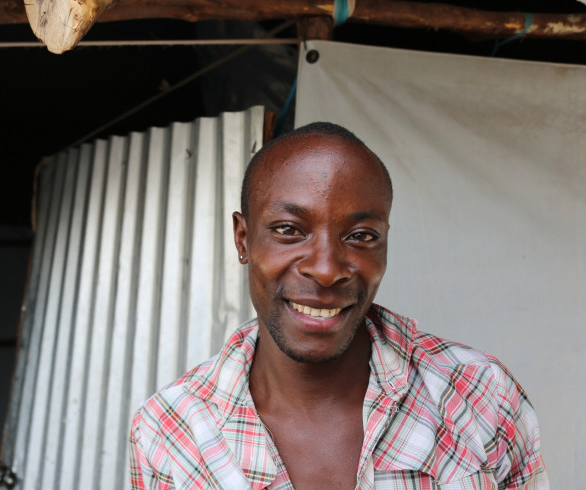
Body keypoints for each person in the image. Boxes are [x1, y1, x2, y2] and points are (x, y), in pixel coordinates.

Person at [128, 122, 548, 489]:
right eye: (289, 230)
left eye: (361, 236)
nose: (327, 270)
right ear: (243, 239)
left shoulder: (480, 395)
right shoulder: (169, 431)